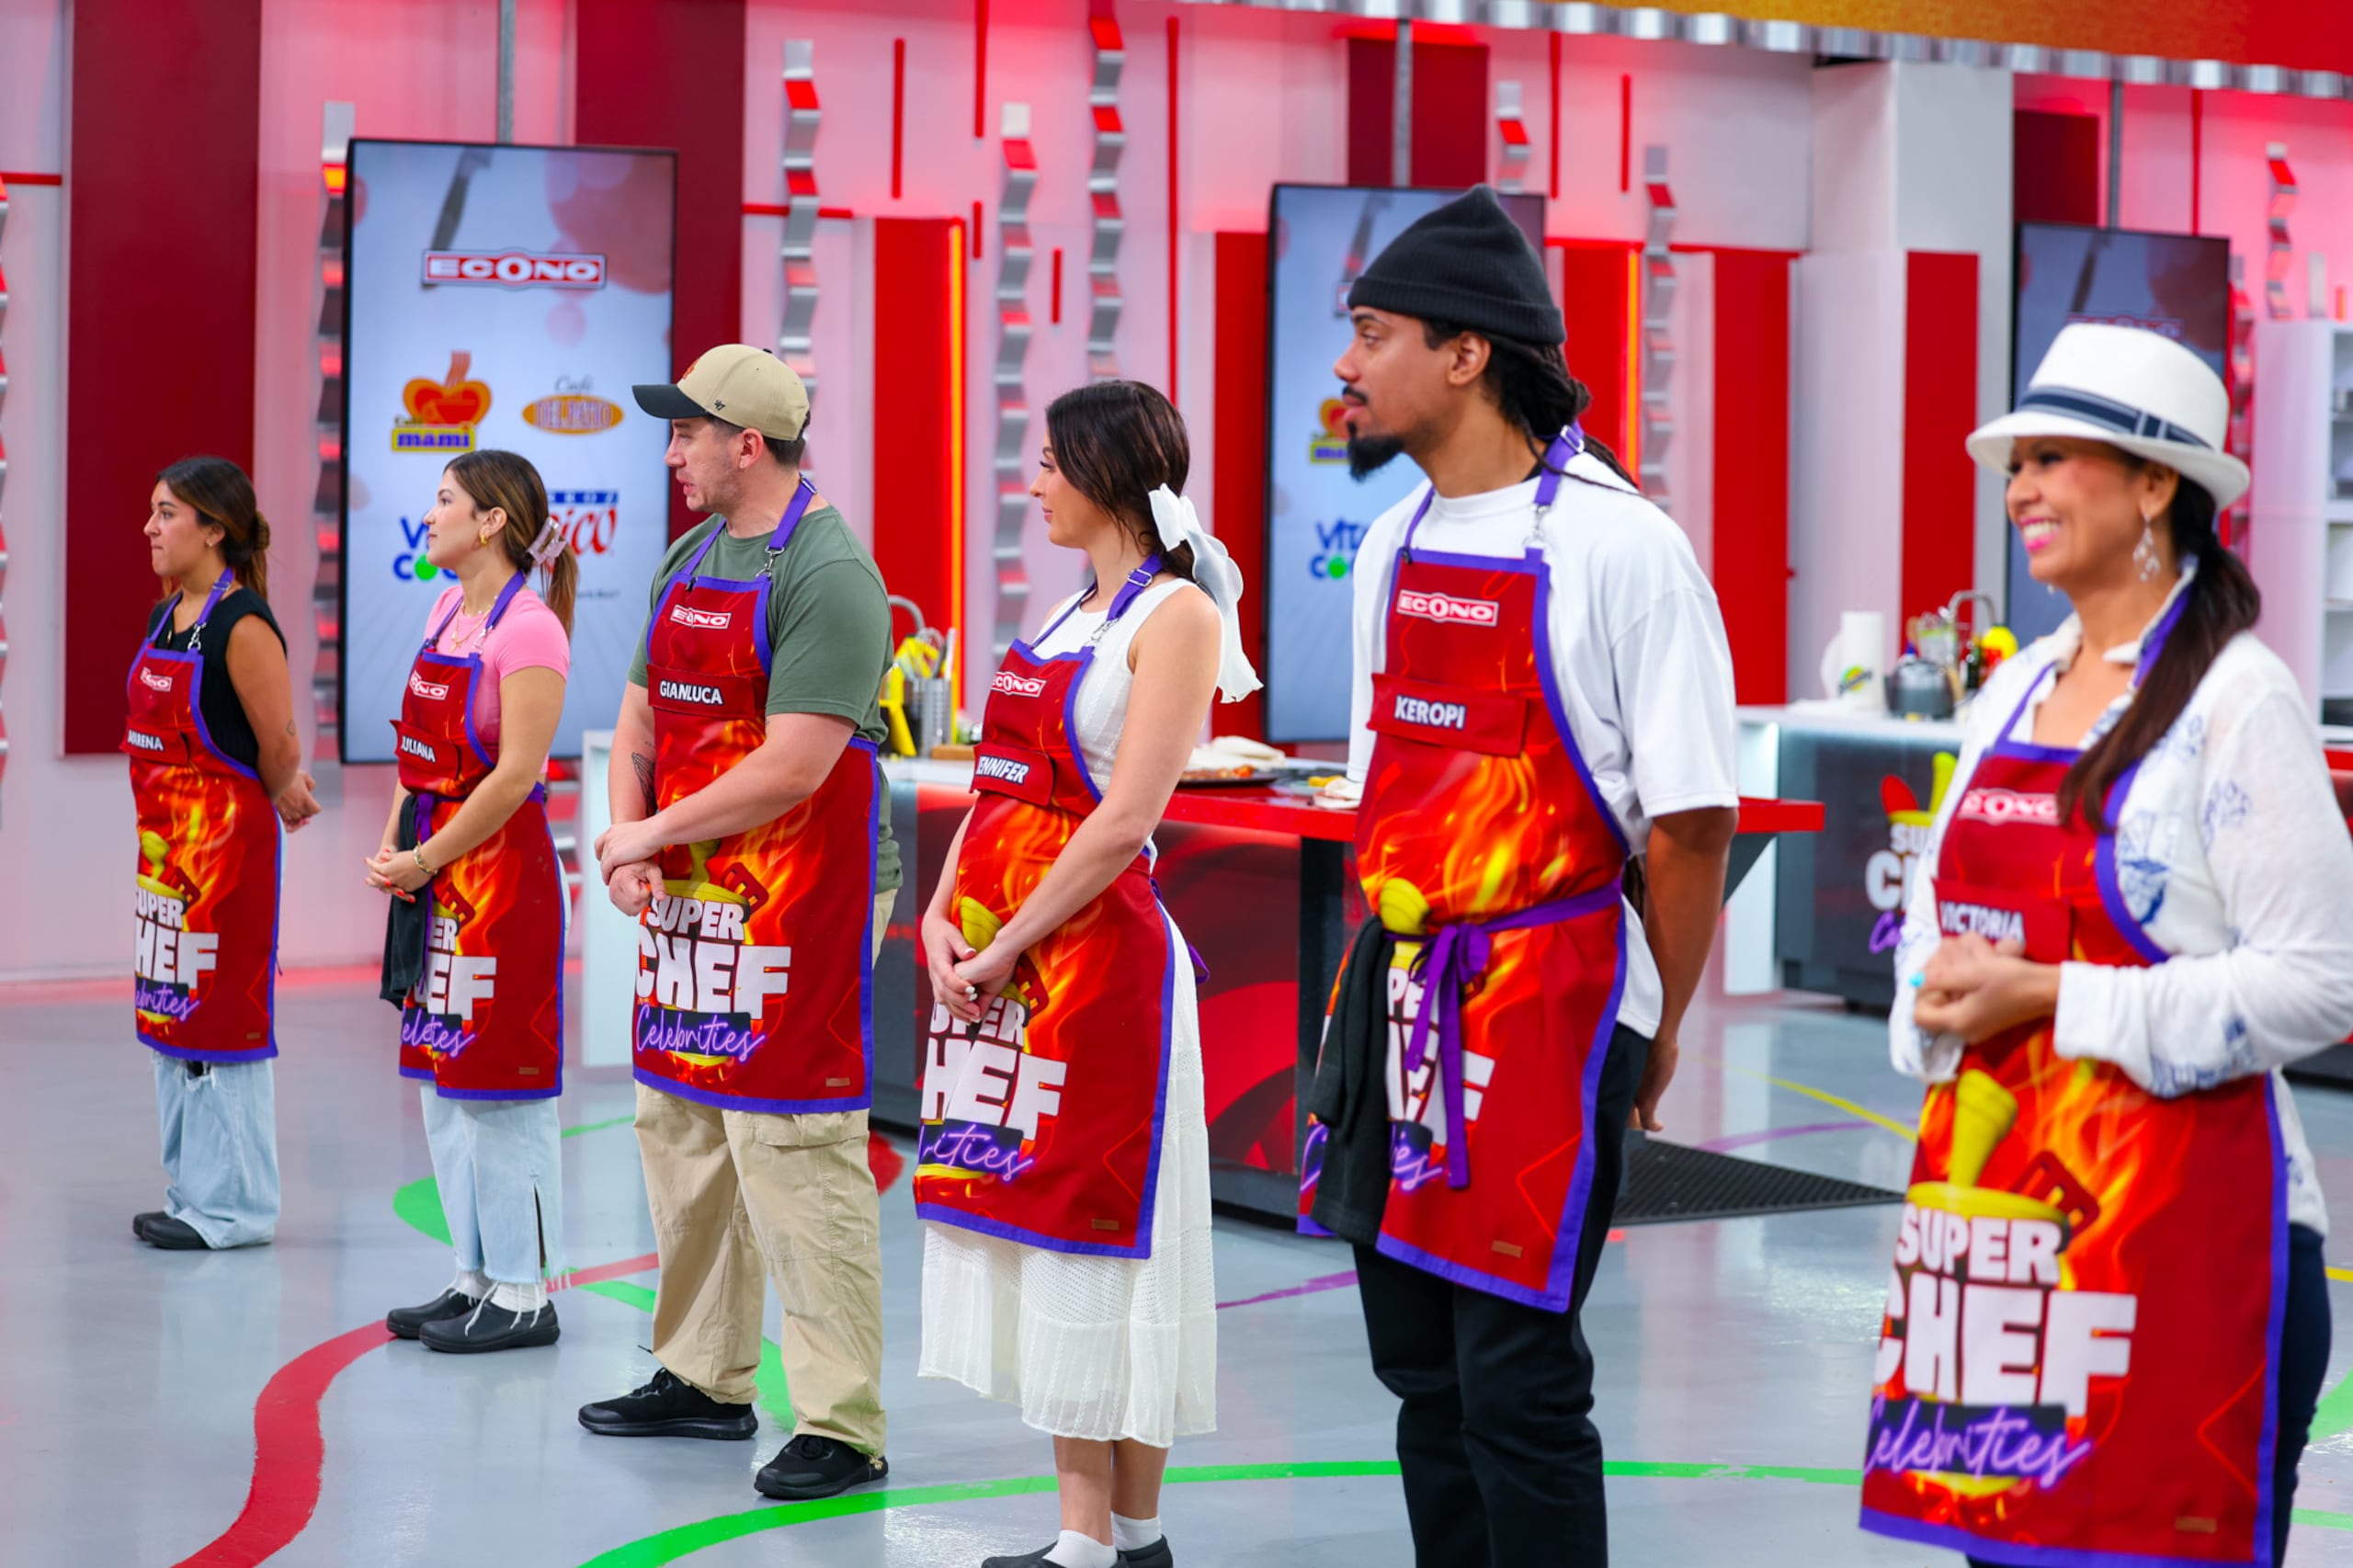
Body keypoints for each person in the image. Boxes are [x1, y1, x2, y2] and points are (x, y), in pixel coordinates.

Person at [1300, 186, 1739, 1566]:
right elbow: (1385, 790)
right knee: (1419, 1371)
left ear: (1468, 351)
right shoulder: (1394, 540)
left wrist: (1657, 1028)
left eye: (1371, 332)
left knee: (1518, 1381)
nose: (1345, 365)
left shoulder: (1623, 548)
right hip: (1399, 992)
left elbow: (1690, 826)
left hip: (1550, 1003)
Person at [1864, 324, 2352, 1567]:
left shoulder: (2239, 700)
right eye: (2014, 463)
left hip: (2189, 1250)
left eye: (2054, 458)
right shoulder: (2012, 689)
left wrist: (2051, 997)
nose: (2019, 488)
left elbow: (2318, 979)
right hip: (2005, 1240)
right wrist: (1927, 995)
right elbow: (1930, 916)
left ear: (2155, 485)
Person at [917, 381, 1255, 1568]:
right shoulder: (1065, 614)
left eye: (1051, 462)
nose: (1034, 483)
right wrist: (938, 915)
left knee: (1109, 1231)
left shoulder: (1176, 616)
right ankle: (1090, 1533)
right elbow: (1002, 783)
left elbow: (1124, 819)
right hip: (1003, 957)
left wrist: (1008, 942)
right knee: (1035, 1216)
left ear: (1109, 470)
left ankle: (1121, 1535)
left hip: (1098, 963)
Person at [580, 344, 899, 1502]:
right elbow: (636, 723)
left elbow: (795, 764)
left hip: (808, 893)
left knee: (795, 1143)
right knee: (682, 1128)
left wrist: (651, 836)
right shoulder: (689, 552)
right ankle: (702, 1375)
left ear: (745, 444)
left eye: (686, 434)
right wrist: (631, 840)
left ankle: (840, 1417)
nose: (672, 452)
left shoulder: (831, 570)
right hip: (693, 897)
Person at [366, 449, 575, 1352]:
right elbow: (420, 752)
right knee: (445, 1088)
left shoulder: (530, 630)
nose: (432, 512)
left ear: (491, 520)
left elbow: (516, 774)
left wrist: (424, 854)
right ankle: (474, 1274)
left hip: (501, 880)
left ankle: (526, 1292)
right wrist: (393, 843)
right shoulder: (447, 607)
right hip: (438, 869)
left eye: (445, 499)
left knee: (505, 1090)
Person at [127, 456, 320, 1251]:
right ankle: (191, 1194)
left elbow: (278, 744)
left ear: (215, 529)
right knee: (171, 1025)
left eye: (167, 513)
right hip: (164, 856)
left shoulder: (243, 625)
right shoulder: (165, 615)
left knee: (224, 1029)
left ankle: (237, 1210)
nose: (150, 527)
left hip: (228, 860)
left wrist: (290, 788)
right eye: (152, 510)